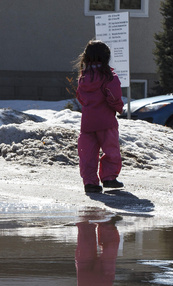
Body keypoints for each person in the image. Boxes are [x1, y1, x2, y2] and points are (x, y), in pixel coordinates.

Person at [75, 40, 125, 194]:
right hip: (106, 121)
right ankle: (109, 178)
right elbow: (113, 97)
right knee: (111, 150)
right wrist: (118, 108)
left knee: (87, 153)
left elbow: (81, 98)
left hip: (88, 122)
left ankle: (90, 182)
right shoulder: (110, 77)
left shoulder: (84, 78)